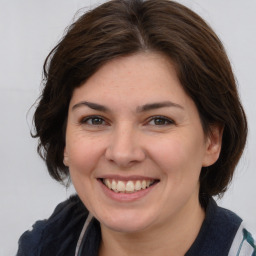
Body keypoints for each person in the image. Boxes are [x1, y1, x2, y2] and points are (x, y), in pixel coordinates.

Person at [16, 0, 255, 255]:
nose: (122, 153)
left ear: (212, 141)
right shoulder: (43, 245)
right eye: (95, 120)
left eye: (159, 120)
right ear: (64, 139)